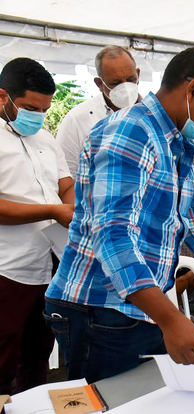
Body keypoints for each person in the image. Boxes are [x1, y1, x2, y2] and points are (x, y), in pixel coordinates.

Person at [44, 47, 194, 383]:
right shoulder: (133, 131)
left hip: (135, 304)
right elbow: (113, 235)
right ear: (193, 89)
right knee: (112, 401)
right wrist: (170, 319)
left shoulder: (178, 142)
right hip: (99, 306)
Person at [0, 58, 75, 394]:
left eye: (44, 109)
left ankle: (31, 403)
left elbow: (65, 183)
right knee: (3, 355)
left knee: (38, 352)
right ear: (3, 97)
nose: (39, 116)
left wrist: (71, 206)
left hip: (50, 265)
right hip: (7, 267)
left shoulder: (45, 137)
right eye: (31, 107)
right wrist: (53, 211)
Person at [57, 45, 141, 178]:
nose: (125, 87)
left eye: (131, 80)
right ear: (99, 84)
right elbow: (67, 175)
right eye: (116, 83)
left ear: (138, 74)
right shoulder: (77, 120)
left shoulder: (154, 114)